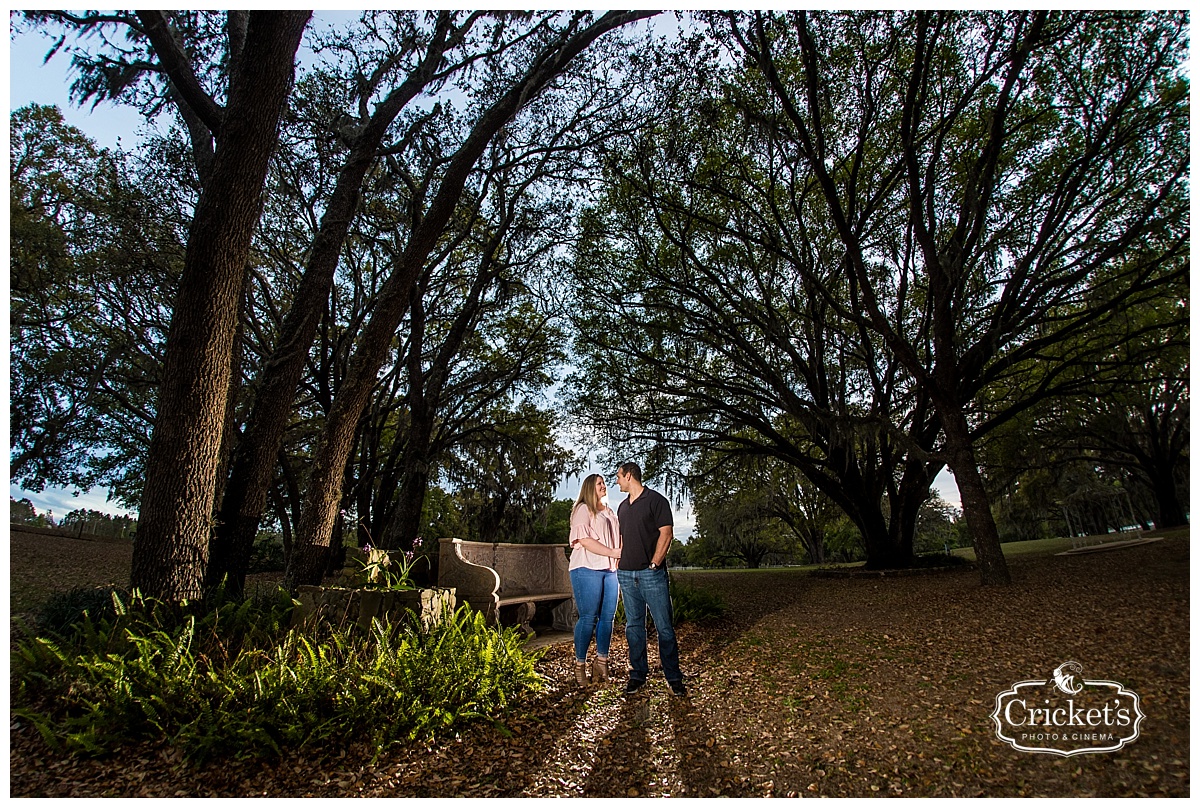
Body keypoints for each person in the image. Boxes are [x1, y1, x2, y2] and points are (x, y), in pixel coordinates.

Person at [614, 462, 687, 697]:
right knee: (633, 627)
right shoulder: (622, 507)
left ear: (629, 475)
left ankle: (673, 677)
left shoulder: (656, 501)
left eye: (618, 477)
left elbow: (666, 534)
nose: (617, 481)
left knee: (664, 627)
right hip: (626, 574)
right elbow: (624, 539)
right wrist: (619, 562)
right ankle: (637, 675)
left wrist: (655, 564)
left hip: (651, 575)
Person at [567, 473, 623, 686]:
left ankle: (601, 662)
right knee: (588, 617)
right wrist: (613, 552)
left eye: (604, 483)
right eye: (599, 483)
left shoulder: (610, 512)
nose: (604, 486)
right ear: (590, 487)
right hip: (586, 567)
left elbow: (620, 538)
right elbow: (584, 540)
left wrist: (618, 554)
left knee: (607, 618)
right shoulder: (583, 509)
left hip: (610, 570)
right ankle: (579, 665)